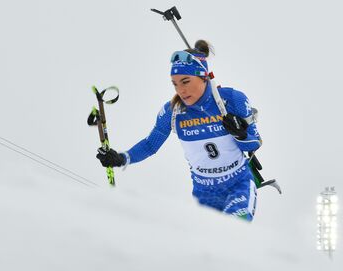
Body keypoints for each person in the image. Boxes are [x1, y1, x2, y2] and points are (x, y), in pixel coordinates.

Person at [96, 40, 262, 221]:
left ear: (204, 77)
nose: (180, 90)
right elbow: (150, 145)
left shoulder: (232, 100)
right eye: (175, 84)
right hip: (204, 194)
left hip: (238, 186)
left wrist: (240, 133)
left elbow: (254, 143)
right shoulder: (173, 112)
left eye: (185, 81)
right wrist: (121, 158)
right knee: (208, 246)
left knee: (233, 235)